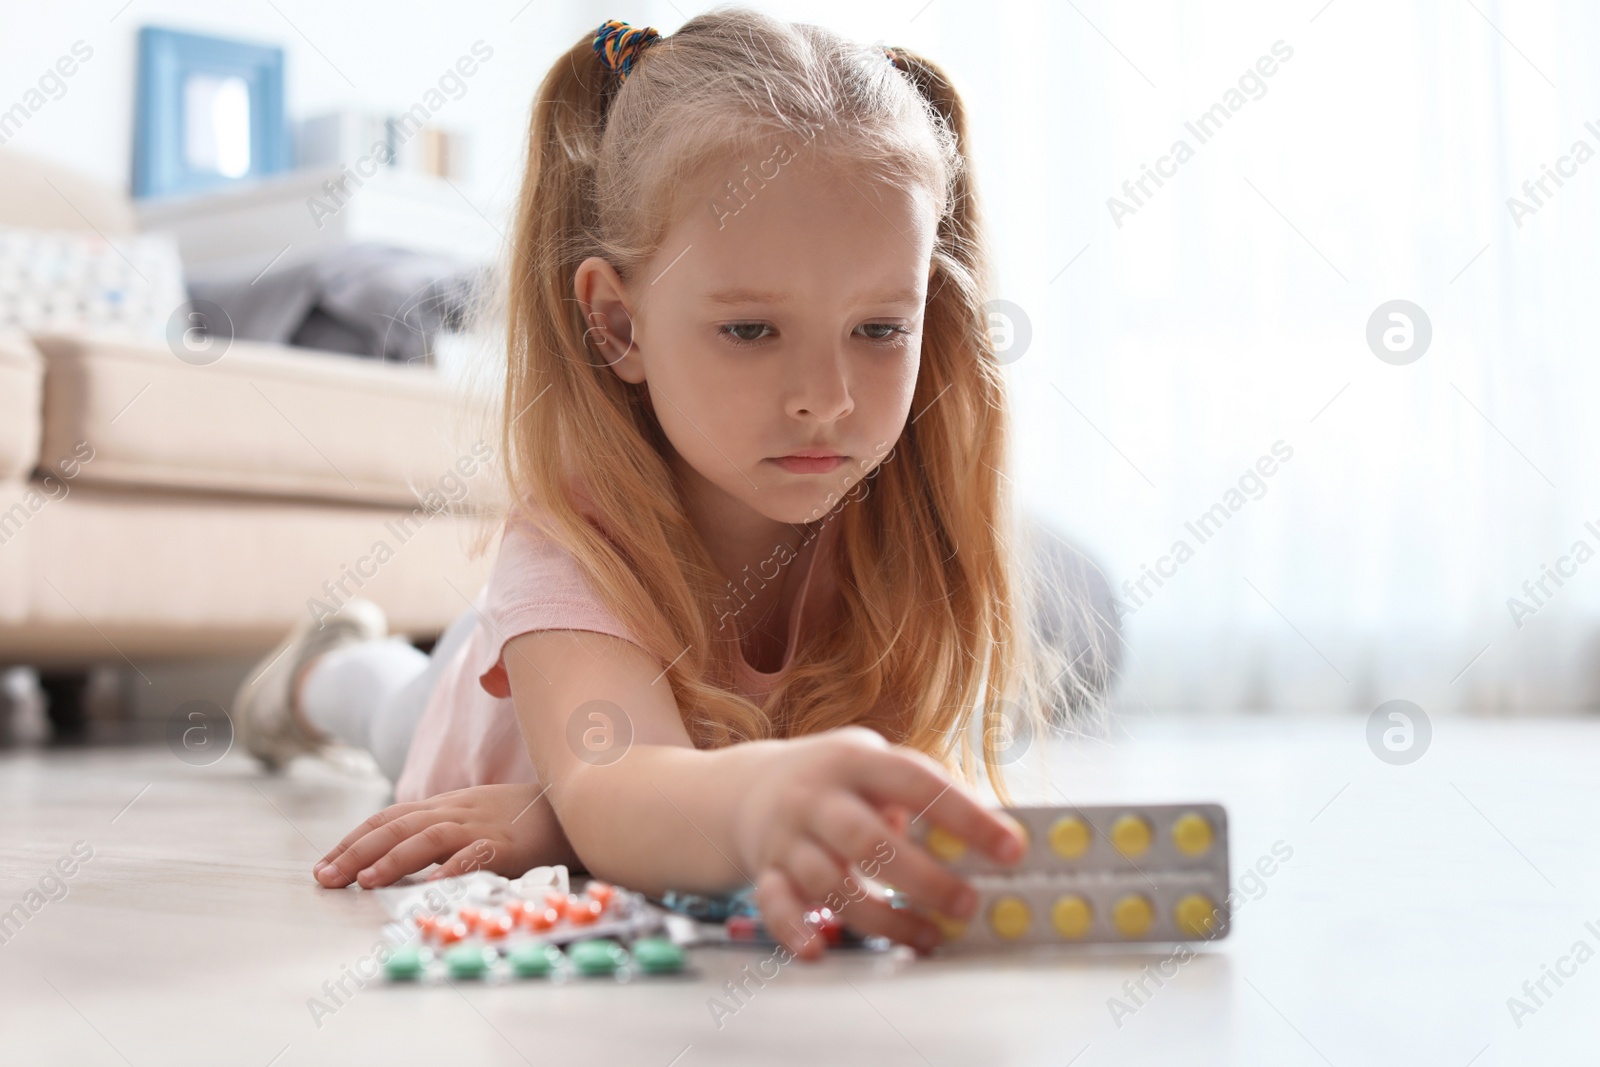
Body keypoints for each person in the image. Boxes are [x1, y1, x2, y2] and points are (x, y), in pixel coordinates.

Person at [232, 9, 1096, 961]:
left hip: (590, 769)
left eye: (880, 328)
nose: (826, 400)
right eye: (751, 331)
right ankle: (321, 670)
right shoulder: (576, 531)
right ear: (618, 325)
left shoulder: (894, 518)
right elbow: (611, 778)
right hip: (499, 724)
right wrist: (594, 804)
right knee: (392, 707)